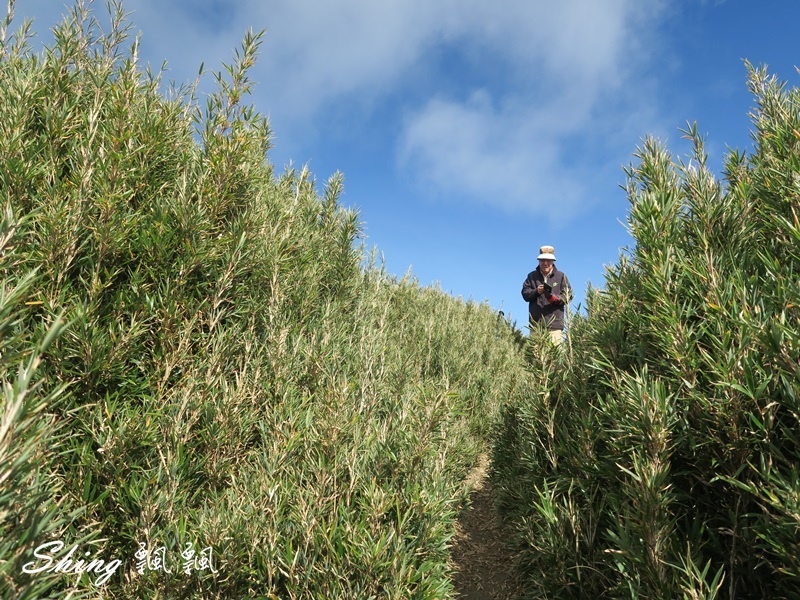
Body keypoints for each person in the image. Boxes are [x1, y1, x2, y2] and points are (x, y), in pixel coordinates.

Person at [521, 245, 571, 345]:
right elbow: (525, 294)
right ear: (539, 261)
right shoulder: (531, 276)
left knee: (554, 357)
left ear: (553, 261)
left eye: (548, 260)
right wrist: (536, 291)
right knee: (536, 358)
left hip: (555, 326)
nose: (545, 263)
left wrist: (553, 298)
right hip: (536, 326)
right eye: (542, 260)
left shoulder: (561, 276)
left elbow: (568, 296)